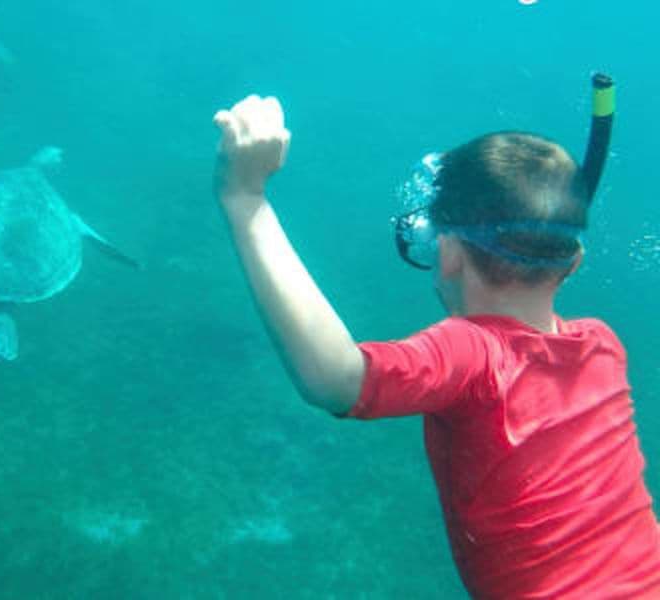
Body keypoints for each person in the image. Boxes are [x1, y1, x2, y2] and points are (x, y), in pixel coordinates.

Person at [212, 77, 660, 599]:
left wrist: (245, 200)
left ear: (446, 252)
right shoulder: (605, 345)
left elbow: (335, 379)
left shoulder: (473, 354)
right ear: (574, 263)